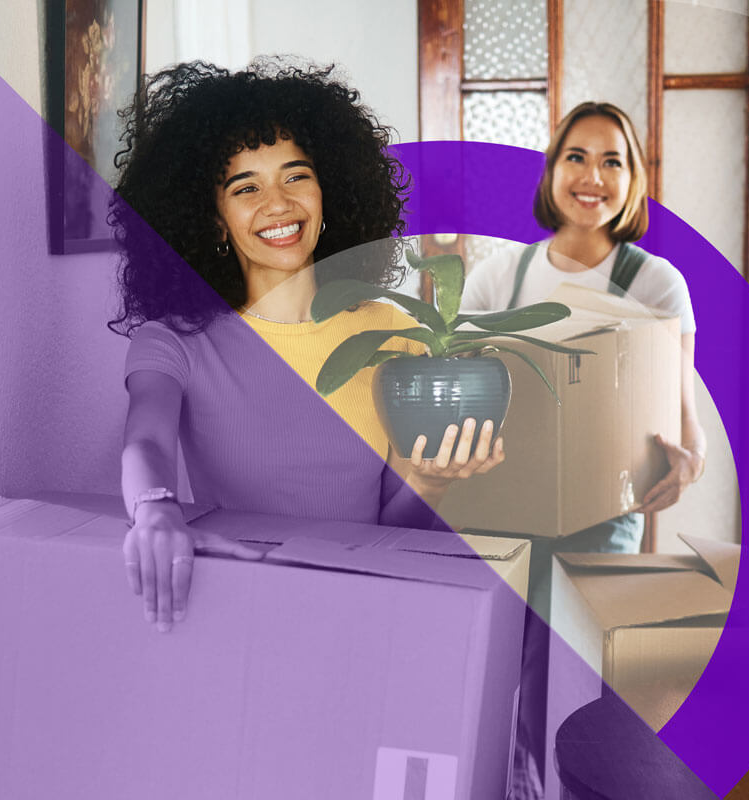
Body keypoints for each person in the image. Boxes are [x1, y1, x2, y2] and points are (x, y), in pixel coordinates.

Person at [109, 60, 504, 633]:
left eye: (296, 176)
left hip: (367, 618)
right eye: (246, 187)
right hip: (240, 616)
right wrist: (154, 510)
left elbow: (393, 533)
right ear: (214, 220)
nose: (279, 203)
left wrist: (433, 480)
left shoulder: (390, 332)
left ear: (328, 191)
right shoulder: (174, 342)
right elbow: (144, 440)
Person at [461, 101, 705, 798]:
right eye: (577, 156)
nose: (592, 175)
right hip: (499, 508)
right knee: (496, 672)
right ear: (552, 170)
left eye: (612, 160)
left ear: (633, 180)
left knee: (572, 682)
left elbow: (687, 426)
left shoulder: (656, 284)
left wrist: (687, 464)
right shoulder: (497, 280)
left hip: (600, 518)